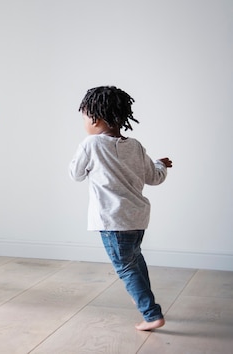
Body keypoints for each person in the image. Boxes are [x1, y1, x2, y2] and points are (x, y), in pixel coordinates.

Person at [69, 85, 172, 331]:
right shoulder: (135, 145)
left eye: (84, 116)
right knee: (135, 261)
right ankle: (152, 308)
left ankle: (151, 314)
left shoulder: (90, 144)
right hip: (137, 219)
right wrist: (161, 164)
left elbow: (76, 174)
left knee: (126, 268)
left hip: (112, 221)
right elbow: (154, 177)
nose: (84, 122)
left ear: (96, 118)